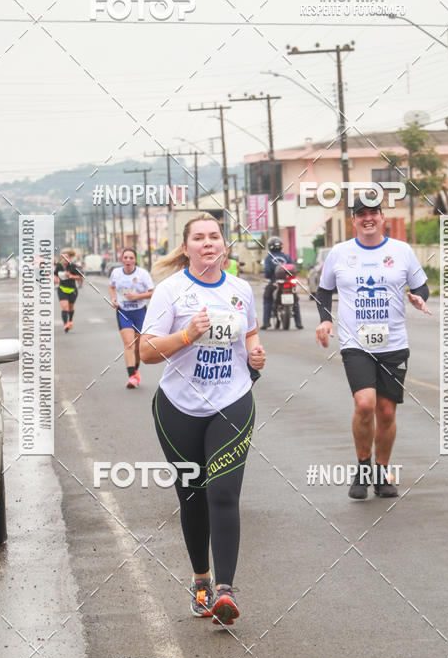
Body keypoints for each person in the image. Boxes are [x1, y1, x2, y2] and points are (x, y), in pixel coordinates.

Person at [140, 213, 266, 625]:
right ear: (187, 248)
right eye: (199, 238)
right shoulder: (170, 292)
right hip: (178, 408)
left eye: (215, 237)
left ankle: (226, 592)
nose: (208, 243)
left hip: (232, 400)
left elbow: (250, 334)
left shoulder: (240, 289)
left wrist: (255, 352)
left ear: (224, 246)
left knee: (224, 494)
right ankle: (201, 580)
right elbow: (146, 352)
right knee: (192, 495)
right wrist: (186, 336)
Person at [315, 193, 431, 499]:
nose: (368, 217)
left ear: (382, 217)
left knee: (387, 412)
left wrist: (420, 298)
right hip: (356, 342)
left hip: (393, 343)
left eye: (373, 212)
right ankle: (363, 467)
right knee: (365, 404)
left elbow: (421, 285)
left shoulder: (401, 251)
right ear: (353, 220)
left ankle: (381, 472)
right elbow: (324, 291)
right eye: (361, 213)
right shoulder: (340, 253)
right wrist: (326, 320)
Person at [109, 247, 154, 388]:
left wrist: (137, 296)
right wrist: (113, 299)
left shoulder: (142, 274)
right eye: (125, 257)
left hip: (140, 312)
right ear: (122, 259)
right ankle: (131, 377)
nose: (128, 260)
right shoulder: (116, 273)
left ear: (135, 260)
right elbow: (111, 287)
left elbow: (152, 292)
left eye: (131, 258)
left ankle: (135, 371)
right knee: (129, 344)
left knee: (138, 347)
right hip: (124, 312)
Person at [262, 235, 303, 329]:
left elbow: (267, 273)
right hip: (289, 283)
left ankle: (266, 322)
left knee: (267, 299)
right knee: (295, 300)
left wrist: (269, 275)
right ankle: (298, 322)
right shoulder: (286, 257)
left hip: (275, 283)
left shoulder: (269, 258)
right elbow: (294, 268)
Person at [54, 250, 83, 332]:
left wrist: (71, 276)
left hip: (72, 290)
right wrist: (55, 279)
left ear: (69, 258)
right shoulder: (59, 266)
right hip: (62, 289)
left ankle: (70, 320)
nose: (65, 259)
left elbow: (81, 277)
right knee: (64, 307)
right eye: (63, 258)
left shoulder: (73, 266)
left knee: (70, 308)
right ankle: (65, 324)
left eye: (66, 258)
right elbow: (55, 275)